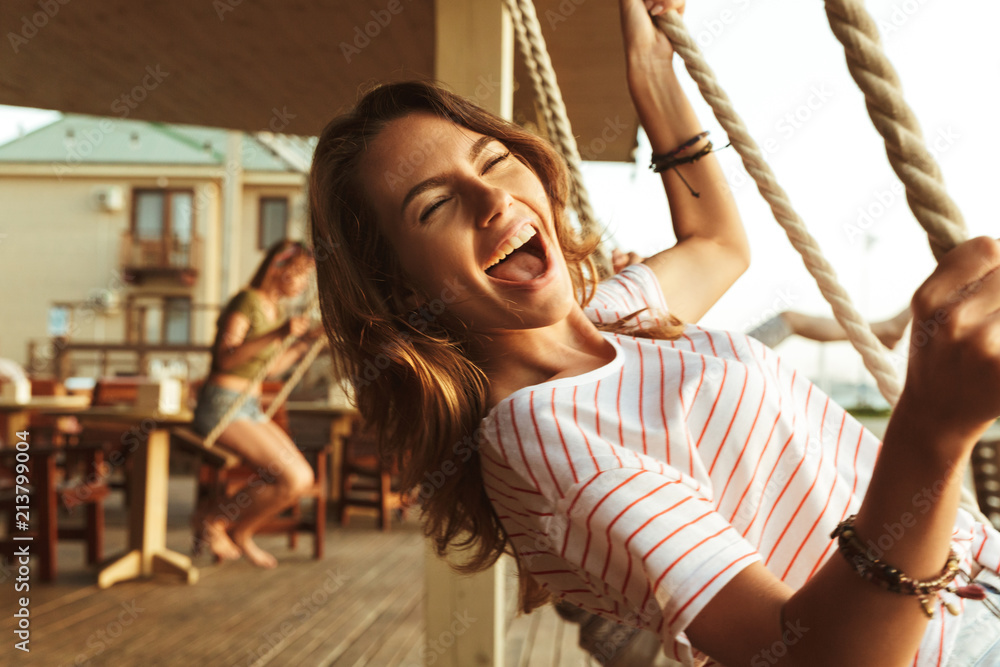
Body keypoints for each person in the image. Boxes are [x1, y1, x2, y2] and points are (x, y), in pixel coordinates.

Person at [308, 1, 1000, 665]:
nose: (494, 199)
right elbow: (812, 654)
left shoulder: (609, 320)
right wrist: (931, 431)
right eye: (434, 205)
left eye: (492, 161)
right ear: (400, 291)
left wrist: (652, 74)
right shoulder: (543, 436)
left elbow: (718, 243)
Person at [191, 239, 320, 568]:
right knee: (290, 477)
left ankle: (240, 531)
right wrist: (278, 335)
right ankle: (214, 520)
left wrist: (305, 342)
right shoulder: (246, 301)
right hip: (222, 405)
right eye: (300, 274)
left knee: (302, 478)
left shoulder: (274, 311)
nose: (304, 284)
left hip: (248, 406)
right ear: (279, 268)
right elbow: (226, 356)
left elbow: (271, 368)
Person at [614, 248, 915, 350]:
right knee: (789, 320)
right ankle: (884, 331)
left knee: (789, 319)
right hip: (703, 363)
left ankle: (883, 331)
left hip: (696, 356)